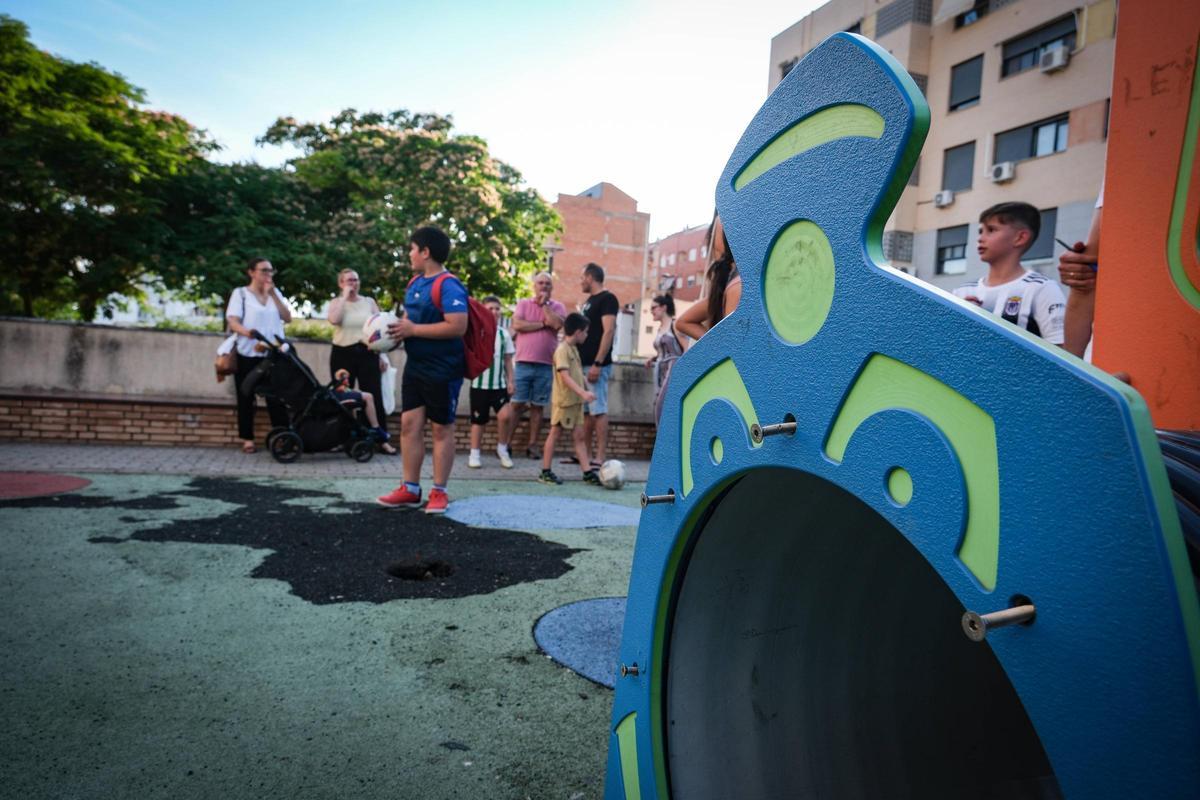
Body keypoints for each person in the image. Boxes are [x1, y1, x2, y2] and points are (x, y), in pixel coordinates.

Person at [376, 226, 468, 514]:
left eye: (413, 249)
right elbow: (407, 324)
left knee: (441, 428)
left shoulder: (449, 284)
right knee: (409, 426)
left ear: (426, 252)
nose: (409, 254)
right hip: (415, 366)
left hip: (443, 369)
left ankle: (439, 491)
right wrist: (389, 336)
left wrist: (413, 329)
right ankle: (410, 488)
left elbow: (457, 326)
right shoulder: (414, 284)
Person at [952, 202, 1066, 346]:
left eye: (991, 230)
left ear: (1020, 238)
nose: (980, 238)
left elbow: (1061, 352)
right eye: (980, 231)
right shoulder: (963, 291)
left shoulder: (1042, 289)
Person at [225, 256, 292, 454]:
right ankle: (247, 439)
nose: (268, 275)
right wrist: (249, 333)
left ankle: (281, 436)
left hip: (273, 355)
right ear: (251, 272)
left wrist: (274, 294)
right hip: (248, 353)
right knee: (246, 397)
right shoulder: (241, 294)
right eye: (264, 270)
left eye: (271, 271)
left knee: (277, 398)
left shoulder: (275, 294)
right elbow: (233, 321)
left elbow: (287, 318)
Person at [327, 268, 396, 455]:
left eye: (356, 280)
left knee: (374, 395)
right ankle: (341, 439)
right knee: (342, 397)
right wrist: (344, 297)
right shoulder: (336, 302)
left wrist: (382, 356)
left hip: (367, 352)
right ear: (341, 283)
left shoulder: (369, 302)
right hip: (342, 352)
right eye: (349, 280)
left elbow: (380, 331)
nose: (353, 284)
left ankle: (381, 440)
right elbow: (334, 319)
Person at [510, 272, 566, 459]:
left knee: (537, 407)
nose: (543, 286)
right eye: (540, 283)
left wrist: (544, 307)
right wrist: (543, 323)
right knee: (516, 404)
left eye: (547, 284)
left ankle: (532, 445)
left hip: (545, 365)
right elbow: (518, 324)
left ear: (552, 288)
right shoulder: (524, 304)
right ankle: (505, 444)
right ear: (534, 286)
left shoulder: (558, 306)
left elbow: (557, 324)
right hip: (523, 363)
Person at [538, 313, 598, 486]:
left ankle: (587, 472)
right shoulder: (562, 350)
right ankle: (545, 471)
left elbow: (576, 373)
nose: (587, 335)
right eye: (585, 332)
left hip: (575, 402)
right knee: (555, 433)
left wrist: (585, 384)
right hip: (565, 402)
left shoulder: (573, 349)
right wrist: (583, 393)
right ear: (578, 332)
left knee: (579, 436)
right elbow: (565, 377)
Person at [467, 296, 516, 469]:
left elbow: (508, 360)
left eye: (497, 308)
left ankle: (502, 449)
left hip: (499, 386)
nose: (494, 312)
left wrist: (511, 380)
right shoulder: (476, 332)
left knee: (506, 415)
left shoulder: (504, 334)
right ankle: (475, 453)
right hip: (479, 385)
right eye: (490, 308)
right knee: (478, 421)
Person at [578, 263, 618, 467]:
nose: (580, 281)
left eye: (582, 277)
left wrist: (597, 363)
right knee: (586, 413)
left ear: (591, 277)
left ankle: (600, 457)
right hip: (582, 365)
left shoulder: (607, 299)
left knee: (598, 409)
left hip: (596, 366)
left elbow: (608, 331)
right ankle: (584, 455)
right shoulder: (588, 301)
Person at [676, 222, 742, 341]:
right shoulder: (735, 283)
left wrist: (716, 346)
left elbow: (683, 322)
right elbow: (682, 322)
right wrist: (717, 346)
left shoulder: (730, 283)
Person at [645, 294, 686, 425]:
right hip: (660, 370)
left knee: (662, 405)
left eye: (654, 307)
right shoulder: (660, 328)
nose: (651, 311)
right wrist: (654, 358)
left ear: (664, 307)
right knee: (660, 403)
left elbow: (686, 349)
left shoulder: (675, 325)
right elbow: (665, 351)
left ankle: (664, 442)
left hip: (673, 369)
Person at [332, 369, 388, 439]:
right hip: (339, 396)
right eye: (345, 378)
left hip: (342, 396)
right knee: (368, 396)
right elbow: (343, 390)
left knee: (357, 403)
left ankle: (364, 427)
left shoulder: (345, 388)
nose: (347, 380)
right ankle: (376, 427)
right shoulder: (339, 388)